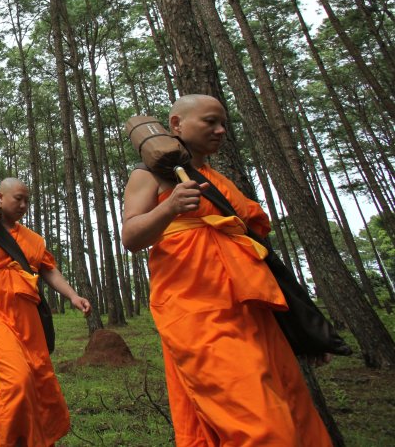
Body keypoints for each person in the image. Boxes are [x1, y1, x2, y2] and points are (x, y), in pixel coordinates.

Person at [122, 94, 331, 446]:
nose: (221, 130)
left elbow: (259, 251)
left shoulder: (222, 183)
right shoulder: (148, 175)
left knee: (295, 412)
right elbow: (131, 237)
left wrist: (302, 327)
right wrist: (170, 208)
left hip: (254, 311)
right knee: (261, 425)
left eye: (223, 123)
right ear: (176, 124)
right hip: (197, 309)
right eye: (210, 121)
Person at [0, 178, 91, 447]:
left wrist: (73, 295)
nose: (24, 205)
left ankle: (40, 440)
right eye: (18, 199)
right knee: (16, 380)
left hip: (28, 314)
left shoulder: (33, 239)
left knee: (40, 377)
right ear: (0, 197)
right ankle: (12, 441)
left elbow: (49, 269)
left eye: (27, 200)